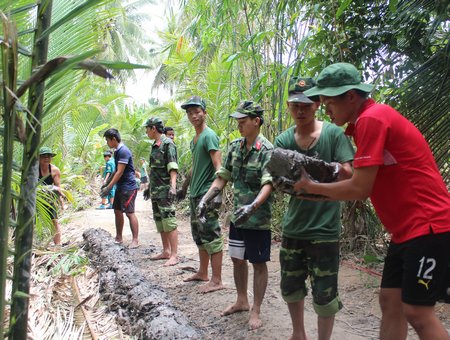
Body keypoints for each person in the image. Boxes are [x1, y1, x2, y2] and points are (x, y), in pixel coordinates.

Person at [295, 62, 450, 340]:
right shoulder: (363, 122)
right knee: (391, 302)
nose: (326, 109)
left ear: (351, 97)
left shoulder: (372, 119)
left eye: (329, 101)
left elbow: (360, 188)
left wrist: (312, 187)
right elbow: (363, 175)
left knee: (417, 310)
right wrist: (339, 173)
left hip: (429, 225)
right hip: (406, 231)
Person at [273, 77, 354, 340]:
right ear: (288, 105)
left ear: (318, 104)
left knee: (325, 292)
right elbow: (280, 179)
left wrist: (318, 175)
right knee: (291, 285)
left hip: (325, 229)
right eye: (295, 104)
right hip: (294, 226)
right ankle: (298, 334)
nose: (300, 110)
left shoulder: (333, 134)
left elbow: (349, 174)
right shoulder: (284, 139)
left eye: (306, 104)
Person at [198, 101, 273, 330]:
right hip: (237, 218)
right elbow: (223, 176)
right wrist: (206, 198)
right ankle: (242, 300)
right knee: (237, 258)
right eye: (238, 121)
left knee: (258, 263)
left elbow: (268, 184)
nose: (239, 124)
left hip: (257, 220)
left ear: (256, 121)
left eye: (244, 120)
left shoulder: (267, 151)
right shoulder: (235, 147)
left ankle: (256, 309)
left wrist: (253, 206)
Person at [179, 95, 224, 293]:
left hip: (206, 194)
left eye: (197, 111)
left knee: (211, 234)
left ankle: (217, 279)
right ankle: (203, 272)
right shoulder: (195, 139)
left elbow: (219, 167)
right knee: (199, 235)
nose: (193, 115)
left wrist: (214, 195)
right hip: (194, 194)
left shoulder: (209, 136)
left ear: (204, 112)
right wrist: (183, 187)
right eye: (190, 113)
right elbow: (194, 168)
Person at [143, 117, 179, 266]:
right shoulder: (155, 145)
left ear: (153, 128)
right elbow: (154, 170)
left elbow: (172, 167)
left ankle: (175, 255)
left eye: (147, 128)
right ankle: (166, 251)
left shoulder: (167, 144)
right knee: (160, 222)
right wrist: (149, 188)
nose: (146, 131)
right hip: (156, 190)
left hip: (165, 190)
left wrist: (173, 186)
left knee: (169, 222)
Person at [101, 128, 139, 248]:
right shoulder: (117, 151)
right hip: (120, 186)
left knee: (129, 213)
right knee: (117, 211)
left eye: (107, 140)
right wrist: (107, 183)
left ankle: (135, 240)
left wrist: (109, 187)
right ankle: (118, 237)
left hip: (128, 187)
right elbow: (115, 171)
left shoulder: (124, 151)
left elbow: (120, 172)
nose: (107, 143)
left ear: (113, 139)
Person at [38, 146, 64, 245]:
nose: (46, 159)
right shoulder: (34, 169)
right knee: (31, 222)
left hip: (49, 199)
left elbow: (58, 188)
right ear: (39, 158)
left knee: (54, 221)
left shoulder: (54, 170)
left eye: (48, 156)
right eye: (44, 156)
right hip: (37, 199)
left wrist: (61, 202)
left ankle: (58, 245)